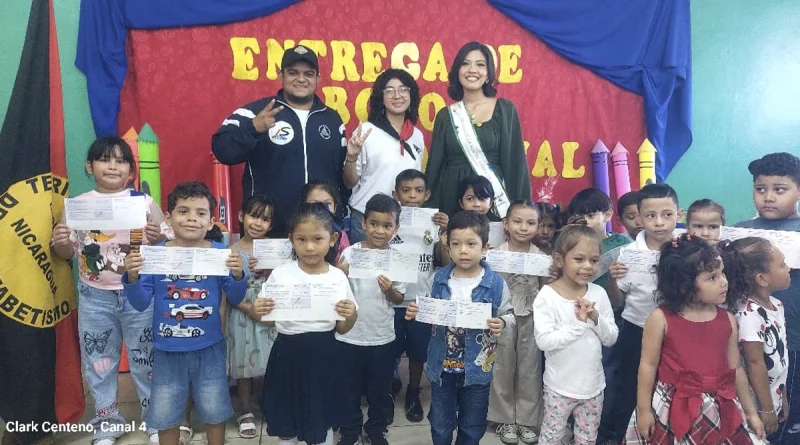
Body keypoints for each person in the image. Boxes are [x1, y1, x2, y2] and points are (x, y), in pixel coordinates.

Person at [51, 136, 164, 445]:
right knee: (99, 362)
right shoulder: (77, 206)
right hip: (94, 296)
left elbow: (165, 243)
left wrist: (157, 236)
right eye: (104, 159)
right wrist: (60, 242)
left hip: (139, 294)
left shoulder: (143, 202)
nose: (113, 166)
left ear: (130, 169)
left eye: (121, 160)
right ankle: (107, 423)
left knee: (146, 359)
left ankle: (156, 421)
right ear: (90, 167)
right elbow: (65, 253)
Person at [122, 181, 248, 445]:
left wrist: (238, 275)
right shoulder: (155, 254)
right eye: (183, 211)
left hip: (210, 348)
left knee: (214, 408)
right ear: (168, 218)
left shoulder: (220, 253)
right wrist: (132, 278)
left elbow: (236, 297)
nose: (192, 218)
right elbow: (141, 303)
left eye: (200, 213)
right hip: (167, 350)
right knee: (166, 412)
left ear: (211, 222)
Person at [623, 234, 765, 444]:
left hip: (719, 407)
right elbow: (648, 365)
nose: (724, 282)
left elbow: (736, 368)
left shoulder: (727, 319)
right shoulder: (660, 318)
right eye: (712, 278)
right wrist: (644, 411)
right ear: (684, 285)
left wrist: (751, 412)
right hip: (672, 406)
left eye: (722, 273)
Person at [212, 45, 346, 237]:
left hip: (319, 234)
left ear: (318, 78)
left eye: (308, 74)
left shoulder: (333, 120)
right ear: (281, 76)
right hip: (266, 230)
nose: (301, 79)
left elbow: (341, 178)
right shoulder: (256, 112)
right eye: (293, 73)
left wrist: (339, 218)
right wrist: (252, 128)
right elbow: (221, 150)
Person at [406, 211, 514, 445]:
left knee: (472, 425)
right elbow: (426, 306)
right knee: (440, 424)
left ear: (485, 248)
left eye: (471, 244)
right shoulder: (438, 279)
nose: (463, 250)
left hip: (477, 370)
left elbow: (509, 315)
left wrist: (502, 322)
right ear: (448, 247)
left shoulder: (496, 284)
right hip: (442, 368)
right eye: (456, 244)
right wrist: (417, 310)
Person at [257, 203, 359, 445]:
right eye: (301, 239)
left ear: (332, 239)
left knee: (321, 418)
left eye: (317, 239)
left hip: (324, 357)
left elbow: (343, 328)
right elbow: (268, 321)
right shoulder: (281, 274)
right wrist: (260, 310)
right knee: (286, 420)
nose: (310, 247)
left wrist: (351, 314)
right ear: (291, 240)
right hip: (287, 356)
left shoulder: (337, 277)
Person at [598, 183, 682, 443]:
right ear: (640, 218)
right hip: (636, 330)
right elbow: (619, 301)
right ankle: (621, 437)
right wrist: (613, 280)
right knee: (630, 388)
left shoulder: (686, 249)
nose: (659, 222)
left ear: (679, 214)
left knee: (671, 388)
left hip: (677, 332)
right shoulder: (629, 254)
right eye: (650, 216)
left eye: (667, 214)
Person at [534, 217, 618, 445]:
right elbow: (544, 341)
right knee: (551, 438)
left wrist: (595, 318)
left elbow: (611, 338)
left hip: (593, 387)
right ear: (559, 260)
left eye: (594, 260)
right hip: (559, 388)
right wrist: (579, 325)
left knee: (587, 439)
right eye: (579, 259)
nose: (588, 266)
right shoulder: (547, 296)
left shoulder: (598, 293)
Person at [734, 152, 800, 442]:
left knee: (790, 410)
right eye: (760, 189)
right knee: (751, 406)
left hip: (793, 340)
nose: (768, 197)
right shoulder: (740, 232)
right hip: (748, 339)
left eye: (780, 189)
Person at [425, 41, 531, 218]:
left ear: (488, 73)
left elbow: (516, 164)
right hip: (452, 198)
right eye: (465, 64)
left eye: (480, 65)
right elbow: (435, 168)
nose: (472, 70)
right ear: (457, 71)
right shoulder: (445, 115)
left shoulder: (505, 110)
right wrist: (429, 212)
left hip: (493, 199)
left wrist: (521, 210)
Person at [335, 194, 406, 445]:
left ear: (396, 228)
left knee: (380, 390)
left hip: (382, 337)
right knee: (348, 389)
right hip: (349, 335)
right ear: (363, 223)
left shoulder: (397, 260)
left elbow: (399, 299)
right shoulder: (350, 253)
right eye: (374, 223)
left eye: (387, 225)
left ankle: (376, 429)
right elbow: (335, 292)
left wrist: (389, 290)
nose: (379, 230)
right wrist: (340, 275)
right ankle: (350, 431)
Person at [389, 169, 449, 422]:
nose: (412, 196)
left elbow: (444, 262)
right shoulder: (388, 221)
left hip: (421, 300)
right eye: (406, 191)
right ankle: (388, 388)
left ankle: (413, 391)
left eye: (418, 191)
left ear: (427, 195)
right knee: (390, 348)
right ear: (396, 194)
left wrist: (444, 237)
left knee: (418, 352)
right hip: (391, 299)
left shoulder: (433, 222)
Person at [344, 69, 425, 244]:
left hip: (401, 221)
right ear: (381, 97)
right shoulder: (367, 131)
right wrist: (351, 156)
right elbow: (349, 182)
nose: (397, 95)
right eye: (389, 90)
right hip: (368, 220)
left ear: (411, 95)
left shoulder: (417, 135)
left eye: (403, 89)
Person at [721, 237, 791, 441]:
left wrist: (782, 396)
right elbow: (754, 362)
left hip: (772, 395)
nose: (788, 268)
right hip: (755, 403)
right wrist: (767, 409)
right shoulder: (749, 314)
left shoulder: (776, 305)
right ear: (762, 279)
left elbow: (779, 358)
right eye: (782, 264)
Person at [488, 201, 545, 444]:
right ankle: (504, 419)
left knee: (529, 367)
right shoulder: (495, 254)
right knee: (501, 366)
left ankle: (527, 420)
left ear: (538, 226)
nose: (523, 227)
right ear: (506, 224)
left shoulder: (541, 257)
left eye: (530, 223)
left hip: (531, 317)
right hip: (502, 317)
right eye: (517, 221)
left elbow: (545, 290)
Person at [226, 195, 278, 439]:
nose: (258, 223)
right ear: (241, 216)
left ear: (271, 224)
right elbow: (226, 288)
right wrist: (247, 308)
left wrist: (270, 268)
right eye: (254, 216)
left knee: (271, 359)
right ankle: (245, 410)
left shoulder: (276, 249)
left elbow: (285, 279)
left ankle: (272, 404)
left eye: (265, 219)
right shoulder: (231, 250)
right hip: (242, 313)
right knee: (243, 361)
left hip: (269, 310)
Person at [301, 180, 350, 264]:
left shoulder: (342, 236)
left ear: (335, 207)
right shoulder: (298, 233)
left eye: (327, 203)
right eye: (314, 203)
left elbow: (346, 263)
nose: (322, 208)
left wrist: (340, 270)